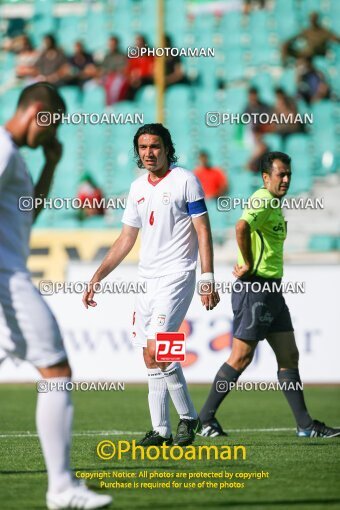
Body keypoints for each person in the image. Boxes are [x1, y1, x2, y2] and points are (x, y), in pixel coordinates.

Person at [0, 82, 112, 509]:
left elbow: (25, 214)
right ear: (37, 114)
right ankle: (61, 488)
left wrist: (50, 166)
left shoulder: (17, 158)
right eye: (53, 125)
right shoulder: (5, 150)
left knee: (54, 369)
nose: (53, 134)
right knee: (56, 369)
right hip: (5, 279)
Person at [83, 123, 220, 446]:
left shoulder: (185, 180)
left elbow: (203, 230)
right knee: (149, 355)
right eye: (143, 147)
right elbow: (126, 238)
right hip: (146, 280)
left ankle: (188, 417)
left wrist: (207, 278)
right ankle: (161, 430)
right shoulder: (137, 189)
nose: (149, 153)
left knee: (161, 349)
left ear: (167, 148)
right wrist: (98, 276)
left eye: (155, 146)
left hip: (177, 276)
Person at [198, 151, 340, 439]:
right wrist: (248, 262)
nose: (286, 179)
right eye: (280, 174)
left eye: (288, 174)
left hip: (272, 290)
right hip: (256, 289)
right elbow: (241, 226)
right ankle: (203, 420)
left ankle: (305, 425)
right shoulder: (262, 199)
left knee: (289, 354)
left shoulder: (275, 203)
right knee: (241, 357)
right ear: (266, 177)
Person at [100, 35, 128, 105]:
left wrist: (113, 71)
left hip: (118, 77)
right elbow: (103, 68)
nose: (111, 46)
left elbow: (123, 69)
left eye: (113, 44)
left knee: (115, 86)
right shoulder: (107, 56)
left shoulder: (122, 55)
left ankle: (113, 105)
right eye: (110, 44)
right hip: (107, 76)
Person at [125, 35, 154, 100]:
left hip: (147, 79)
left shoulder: (151, 56)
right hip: (136, 79)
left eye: (140, 44)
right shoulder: (133, 57)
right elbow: (129, 71)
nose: (139, 46)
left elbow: (151, 71)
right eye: (137, 44)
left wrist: (140, 75)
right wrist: (132, 78)